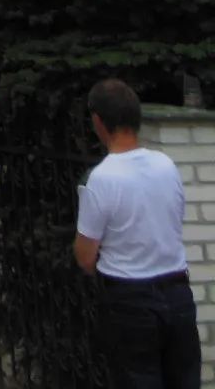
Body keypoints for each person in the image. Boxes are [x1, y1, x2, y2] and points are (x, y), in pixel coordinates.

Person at [74, 78, 201, 389]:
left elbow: (85, 256)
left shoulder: (101, 178)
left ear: (98, 121)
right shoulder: (166, 165)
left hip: (129, 301)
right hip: (178, 293)